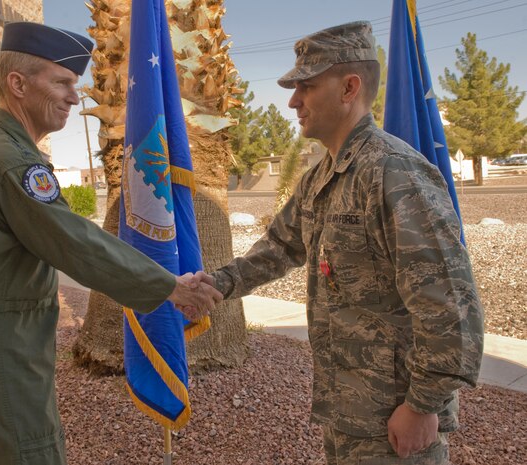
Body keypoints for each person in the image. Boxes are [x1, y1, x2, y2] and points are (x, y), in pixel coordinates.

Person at [0, 22, 220, 465]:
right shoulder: (12, 162)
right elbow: (77, 243)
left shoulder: (4, 149)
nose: (75, 96)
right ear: (17, 84)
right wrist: (171, 287)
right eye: (63, 82)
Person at [199, 21, 484, 465]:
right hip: (347, 409)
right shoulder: (322, 176)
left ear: (350, 87)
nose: (293, 100)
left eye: (306, 86)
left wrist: (423, 406)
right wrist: (214, 285)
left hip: (394, 417)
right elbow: (278, 248)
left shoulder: (394, 173)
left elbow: (450, 305)